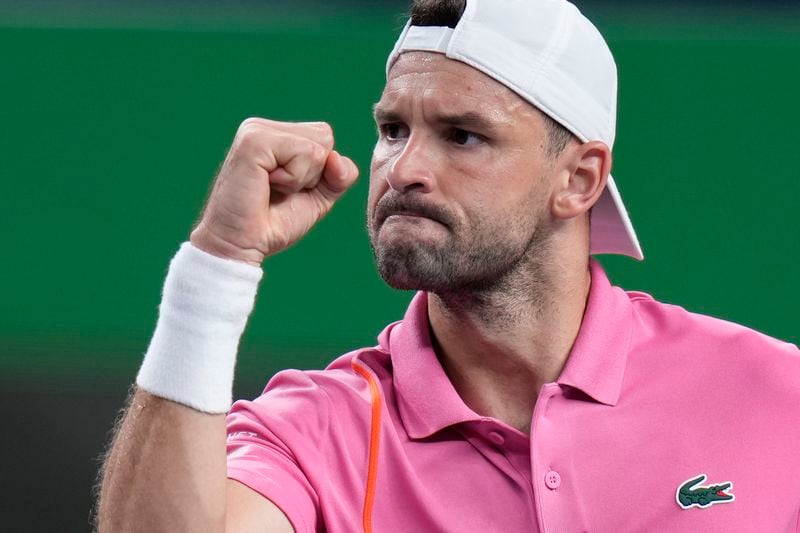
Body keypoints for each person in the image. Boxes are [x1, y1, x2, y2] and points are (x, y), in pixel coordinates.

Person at [96, 0, 800, 531]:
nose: (405, 169)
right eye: (393, 129)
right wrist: (216, 266)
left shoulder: (777, 394)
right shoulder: (318, 432)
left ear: (580, 179)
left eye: (463, 136)